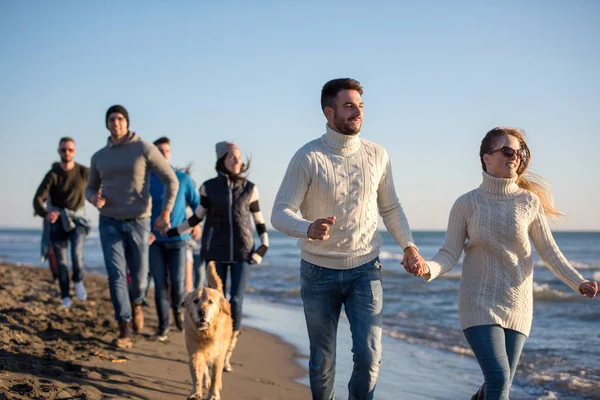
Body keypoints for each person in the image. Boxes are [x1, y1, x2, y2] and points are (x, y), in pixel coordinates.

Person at [405, 126, 598, 400]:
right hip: (478, 301)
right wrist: (427, 268)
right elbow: (449, 253)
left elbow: (549, 251)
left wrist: (577, 282)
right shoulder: (467, 203)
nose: (515, 157)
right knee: (499, 378)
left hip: (518, 304)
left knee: (498, 384)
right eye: (508, 150)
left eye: (520, 152)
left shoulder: (529, 202)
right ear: (486, 157)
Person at [271, 78, 424, 400]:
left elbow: (391, 207)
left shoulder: (378, 154)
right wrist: (307, 227)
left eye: (361, 105)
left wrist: (409, 246)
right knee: (322, 359)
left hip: (365, 269)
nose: (358, 112)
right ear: (329, 112)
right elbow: (280, 212)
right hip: (317, 271)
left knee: (369, 355)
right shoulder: (308, 156)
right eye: (349, 105)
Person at [168, 141, 269, 369]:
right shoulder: (208, 187)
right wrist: (174, 231)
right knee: (216, 302)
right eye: (232, 157)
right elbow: (197, 217)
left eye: (239, 158)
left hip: (243, 252)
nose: (237, 161)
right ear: (222, 160)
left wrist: (262, 247)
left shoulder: (250, 188)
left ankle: (226, 352)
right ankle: (213, 344)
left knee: (236, 300)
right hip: (215, 252)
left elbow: (259, 221)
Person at [86, 105, 178, 348]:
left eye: (119, 118)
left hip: (139, 221)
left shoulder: (144, 148)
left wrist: (166, 211)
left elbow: (171, 179)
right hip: (109, 221)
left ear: (126, 122)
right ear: (107, 124)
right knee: (116, 275)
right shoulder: (99, 156)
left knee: (138, 278)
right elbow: (89, 188)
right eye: (111, 119)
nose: (115, 122)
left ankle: (136, 301)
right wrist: (93, 198)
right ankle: (124, 328)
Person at [149, 137, 200, 342]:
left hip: (179, 239)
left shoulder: (183, 179)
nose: (163, 154)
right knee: (160, 284)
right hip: (154, 242)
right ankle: (163, 328)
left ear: (170, 154)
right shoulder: (146, 180)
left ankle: (178, 312)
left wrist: (197, 224)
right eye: (159, 151)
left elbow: (198, 206)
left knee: (178, 284)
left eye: (166, 151)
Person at [33, 137, 90, 309]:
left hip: (78, 221)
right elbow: (37, 198)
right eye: (63, 150)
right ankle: (65, 295)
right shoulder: (53, 174)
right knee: (61, 262)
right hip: (58, 221)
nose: (67, 153)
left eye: (70, 150)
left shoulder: (83, 172)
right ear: (59, 151)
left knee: (77, 255)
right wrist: (45, 213)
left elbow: (100, 185)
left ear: (75, 151)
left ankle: (78, 279)